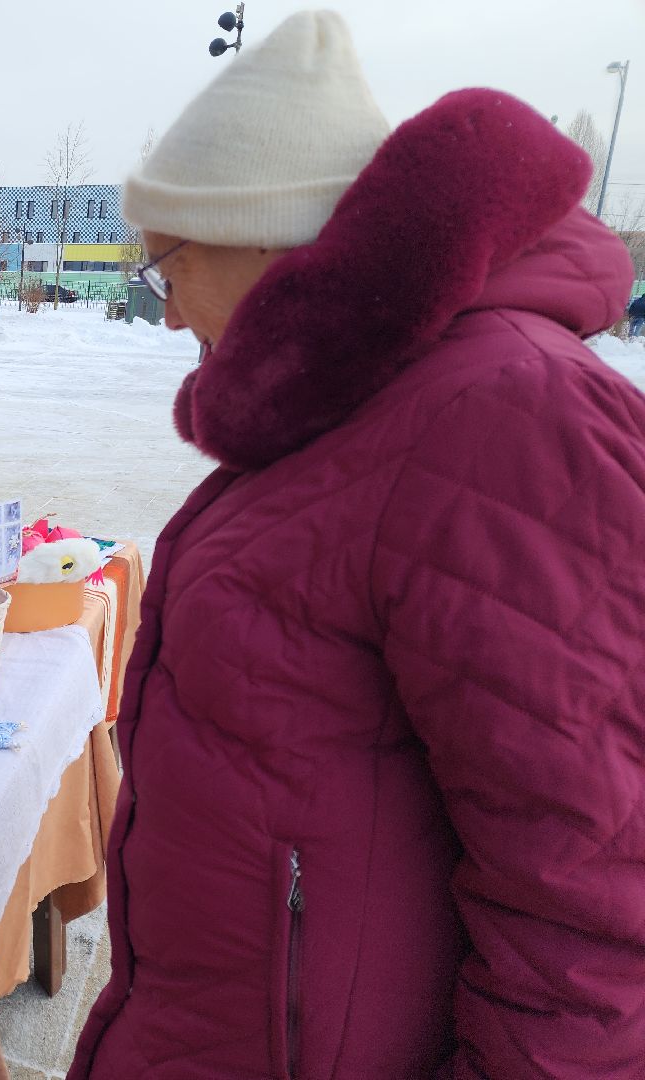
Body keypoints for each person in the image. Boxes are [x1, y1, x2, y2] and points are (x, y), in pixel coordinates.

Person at [70, 11, 645, 1080]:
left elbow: (592, 909)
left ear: (261, 233)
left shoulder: (501, 417)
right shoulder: (344, 401)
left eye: (163, 269)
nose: (161, 315)